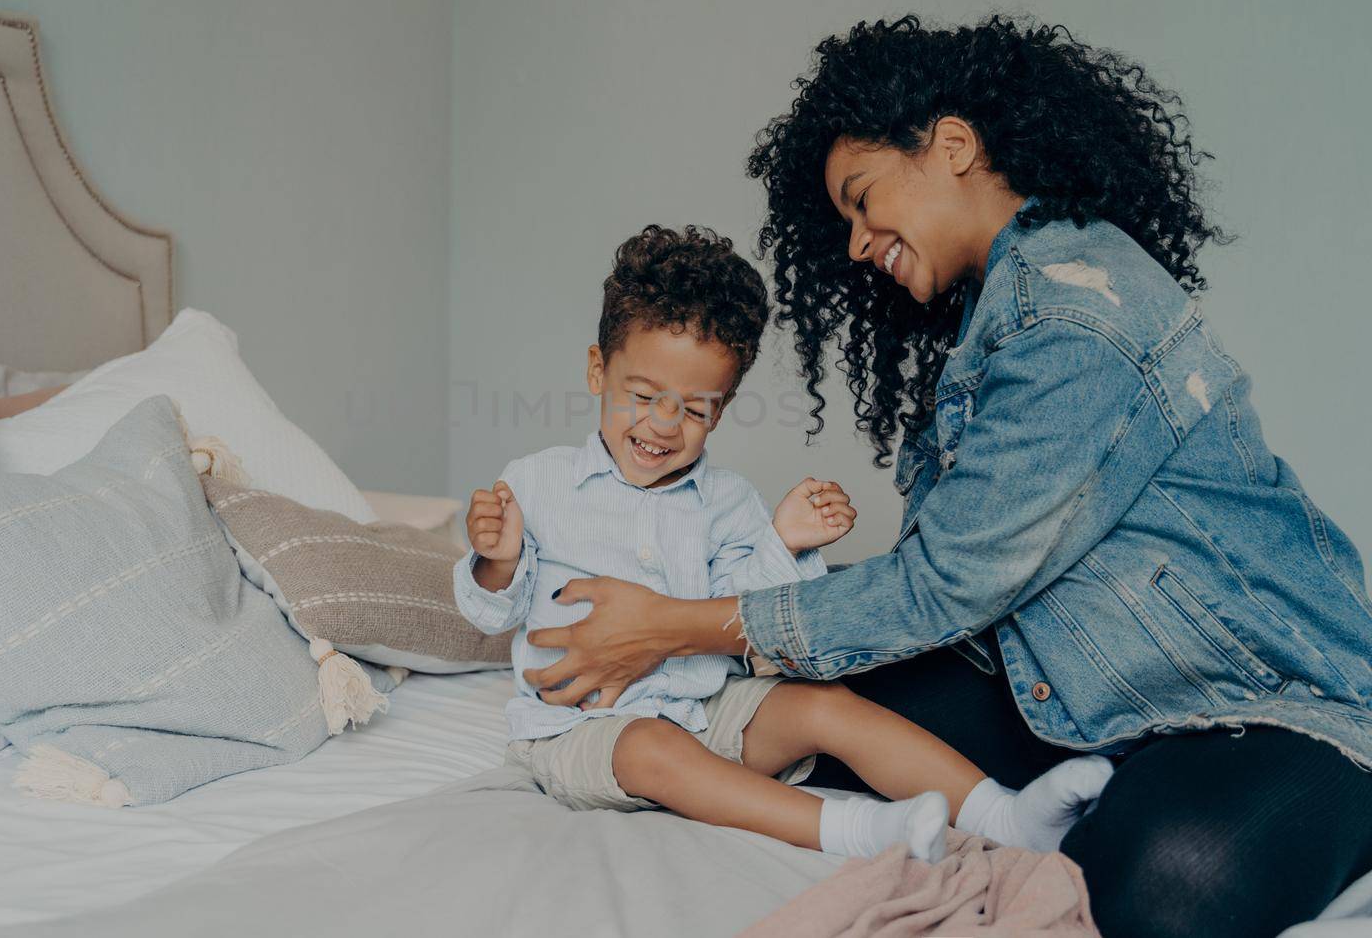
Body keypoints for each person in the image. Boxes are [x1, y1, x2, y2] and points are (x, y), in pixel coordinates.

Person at [518, 17, 1372, 938]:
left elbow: (947, 584)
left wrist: (669, 626)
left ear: (953, 147)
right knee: (810, 728)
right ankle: (1080, 786)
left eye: (861, 198)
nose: (852, 244)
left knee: (1166, 881)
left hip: (1251, 693)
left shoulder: (1072, 316)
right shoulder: (998, 301)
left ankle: (1287, 797)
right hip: (1068, 673)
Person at [454, 224, 1113, 863]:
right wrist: (497, 559)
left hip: (708, 705)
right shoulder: (537, 482)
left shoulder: (728, 499)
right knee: (651, 747)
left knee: (824, 705)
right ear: (599, 371)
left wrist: (783, 538)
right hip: (583, 730)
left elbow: (754, 624)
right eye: (644, 395)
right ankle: (853, 827)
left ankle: (1002, 813)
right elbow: (492, 612)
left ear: (721, 407)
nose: (662, 423)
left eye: (693, 408)